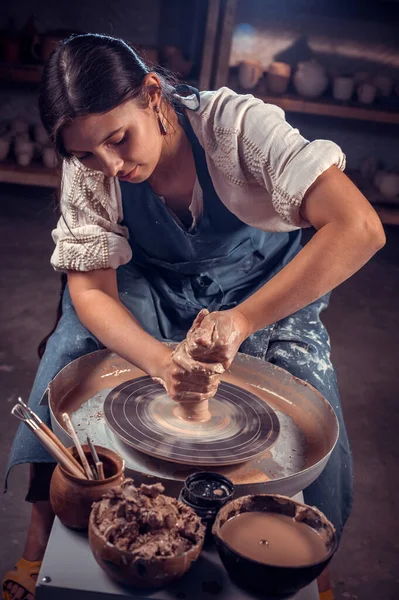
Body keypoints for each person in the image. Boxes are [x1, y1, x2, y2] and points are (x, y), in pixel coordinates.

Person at [3, 33, 385, 600]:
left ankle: (314, 570)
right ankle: (38, 545)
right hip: (149, 276)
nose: (109, 165)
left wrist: (241, 321)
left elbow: (360, 229)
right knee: (72, 351)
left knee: (306, 388)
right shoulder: (88, 165)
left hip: (259, 285)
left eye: (118, 139)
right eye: (86, 153)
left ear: (152, 95)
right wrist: (158, 360)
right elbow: (91, 292)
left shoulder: (237, 127)